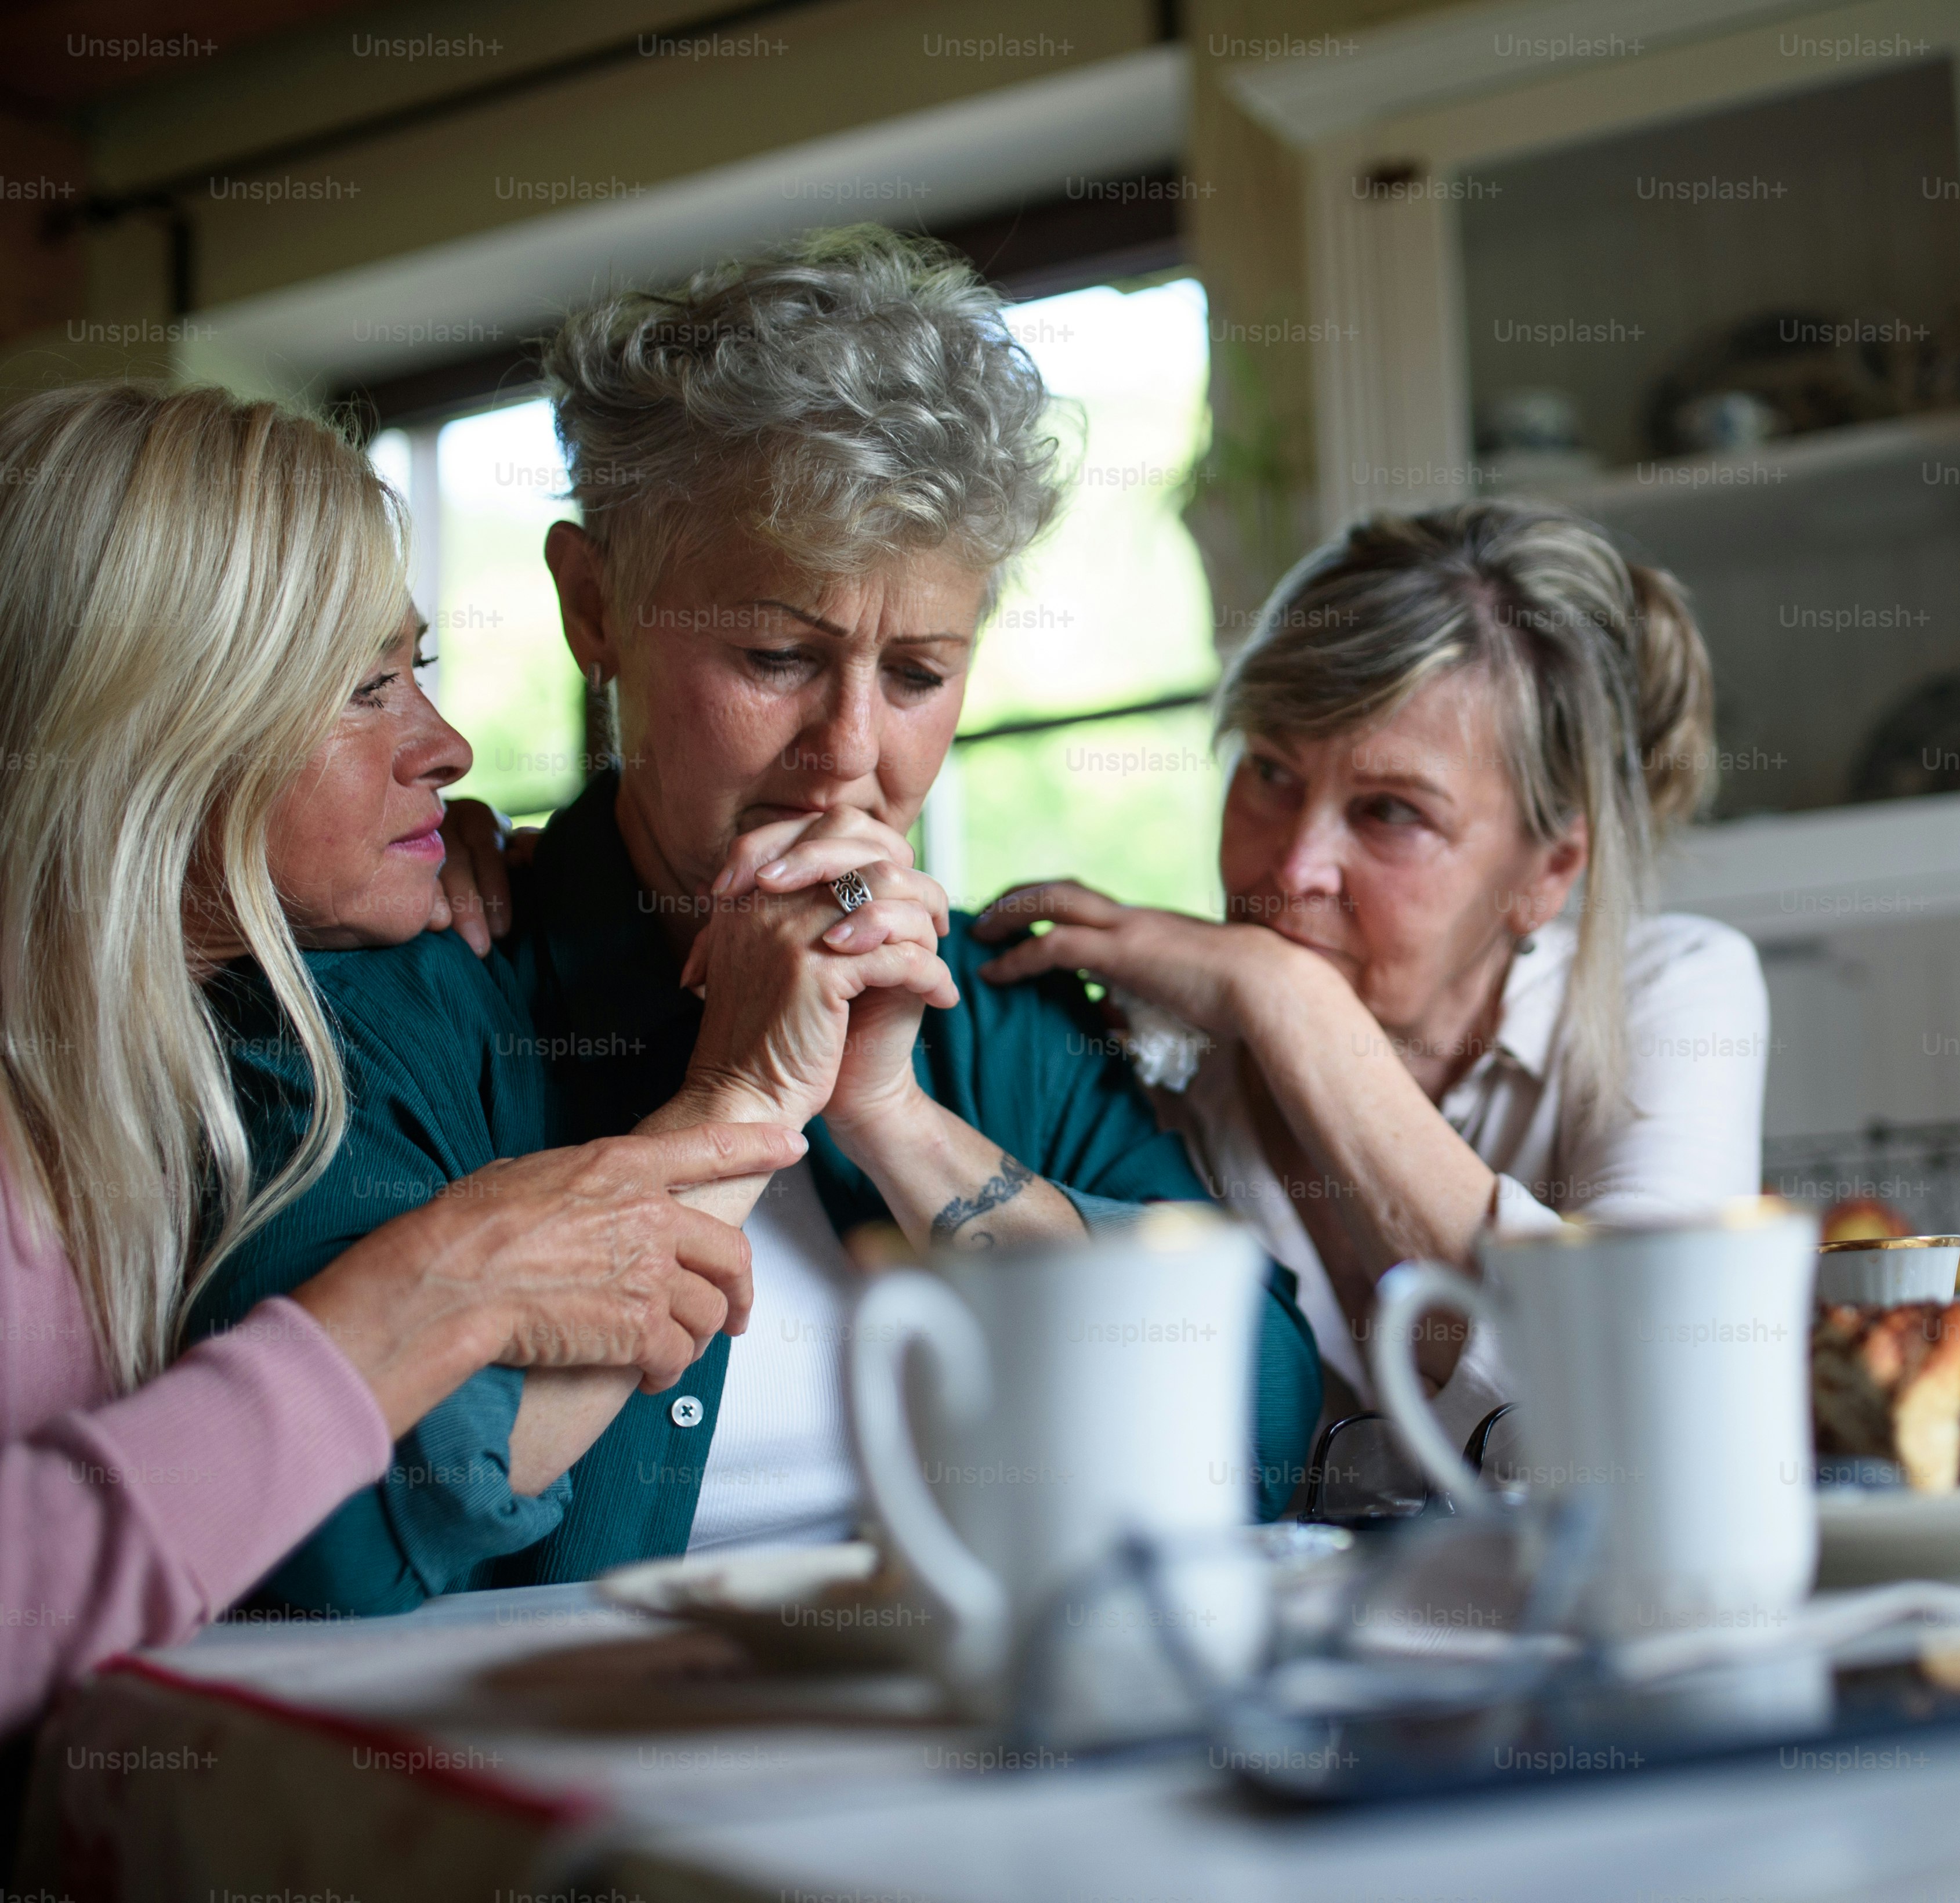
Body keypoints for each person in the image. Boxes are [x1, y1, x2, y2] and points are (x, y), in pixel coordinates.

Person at [205, 226, 1320, 1610]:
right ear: (592, 606)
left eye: (916, 672)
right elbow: (313, 1552)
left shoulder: (997, 1000)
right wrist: (744, 1099)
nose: (849, 752)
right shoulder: (371, 1013)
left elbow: (1258, 1430)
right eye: (776, 656)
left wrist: (895, 1120)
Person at [0, 382, 805, 1733]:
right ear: (149, 734)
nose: (446, 746)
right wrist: (420, 1295)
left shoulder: (167, 1078)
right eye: (368, 687)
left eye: (417, 670)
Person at [958, 501, 1769, 1440]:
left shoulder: (1669, 994)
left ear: (1546, 873)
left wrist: (1292, 1001)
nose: (1295, 866)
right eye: (1269, 771)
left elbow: (1654, 1397)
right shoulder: (1144, 1055)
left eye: (1390, 812)